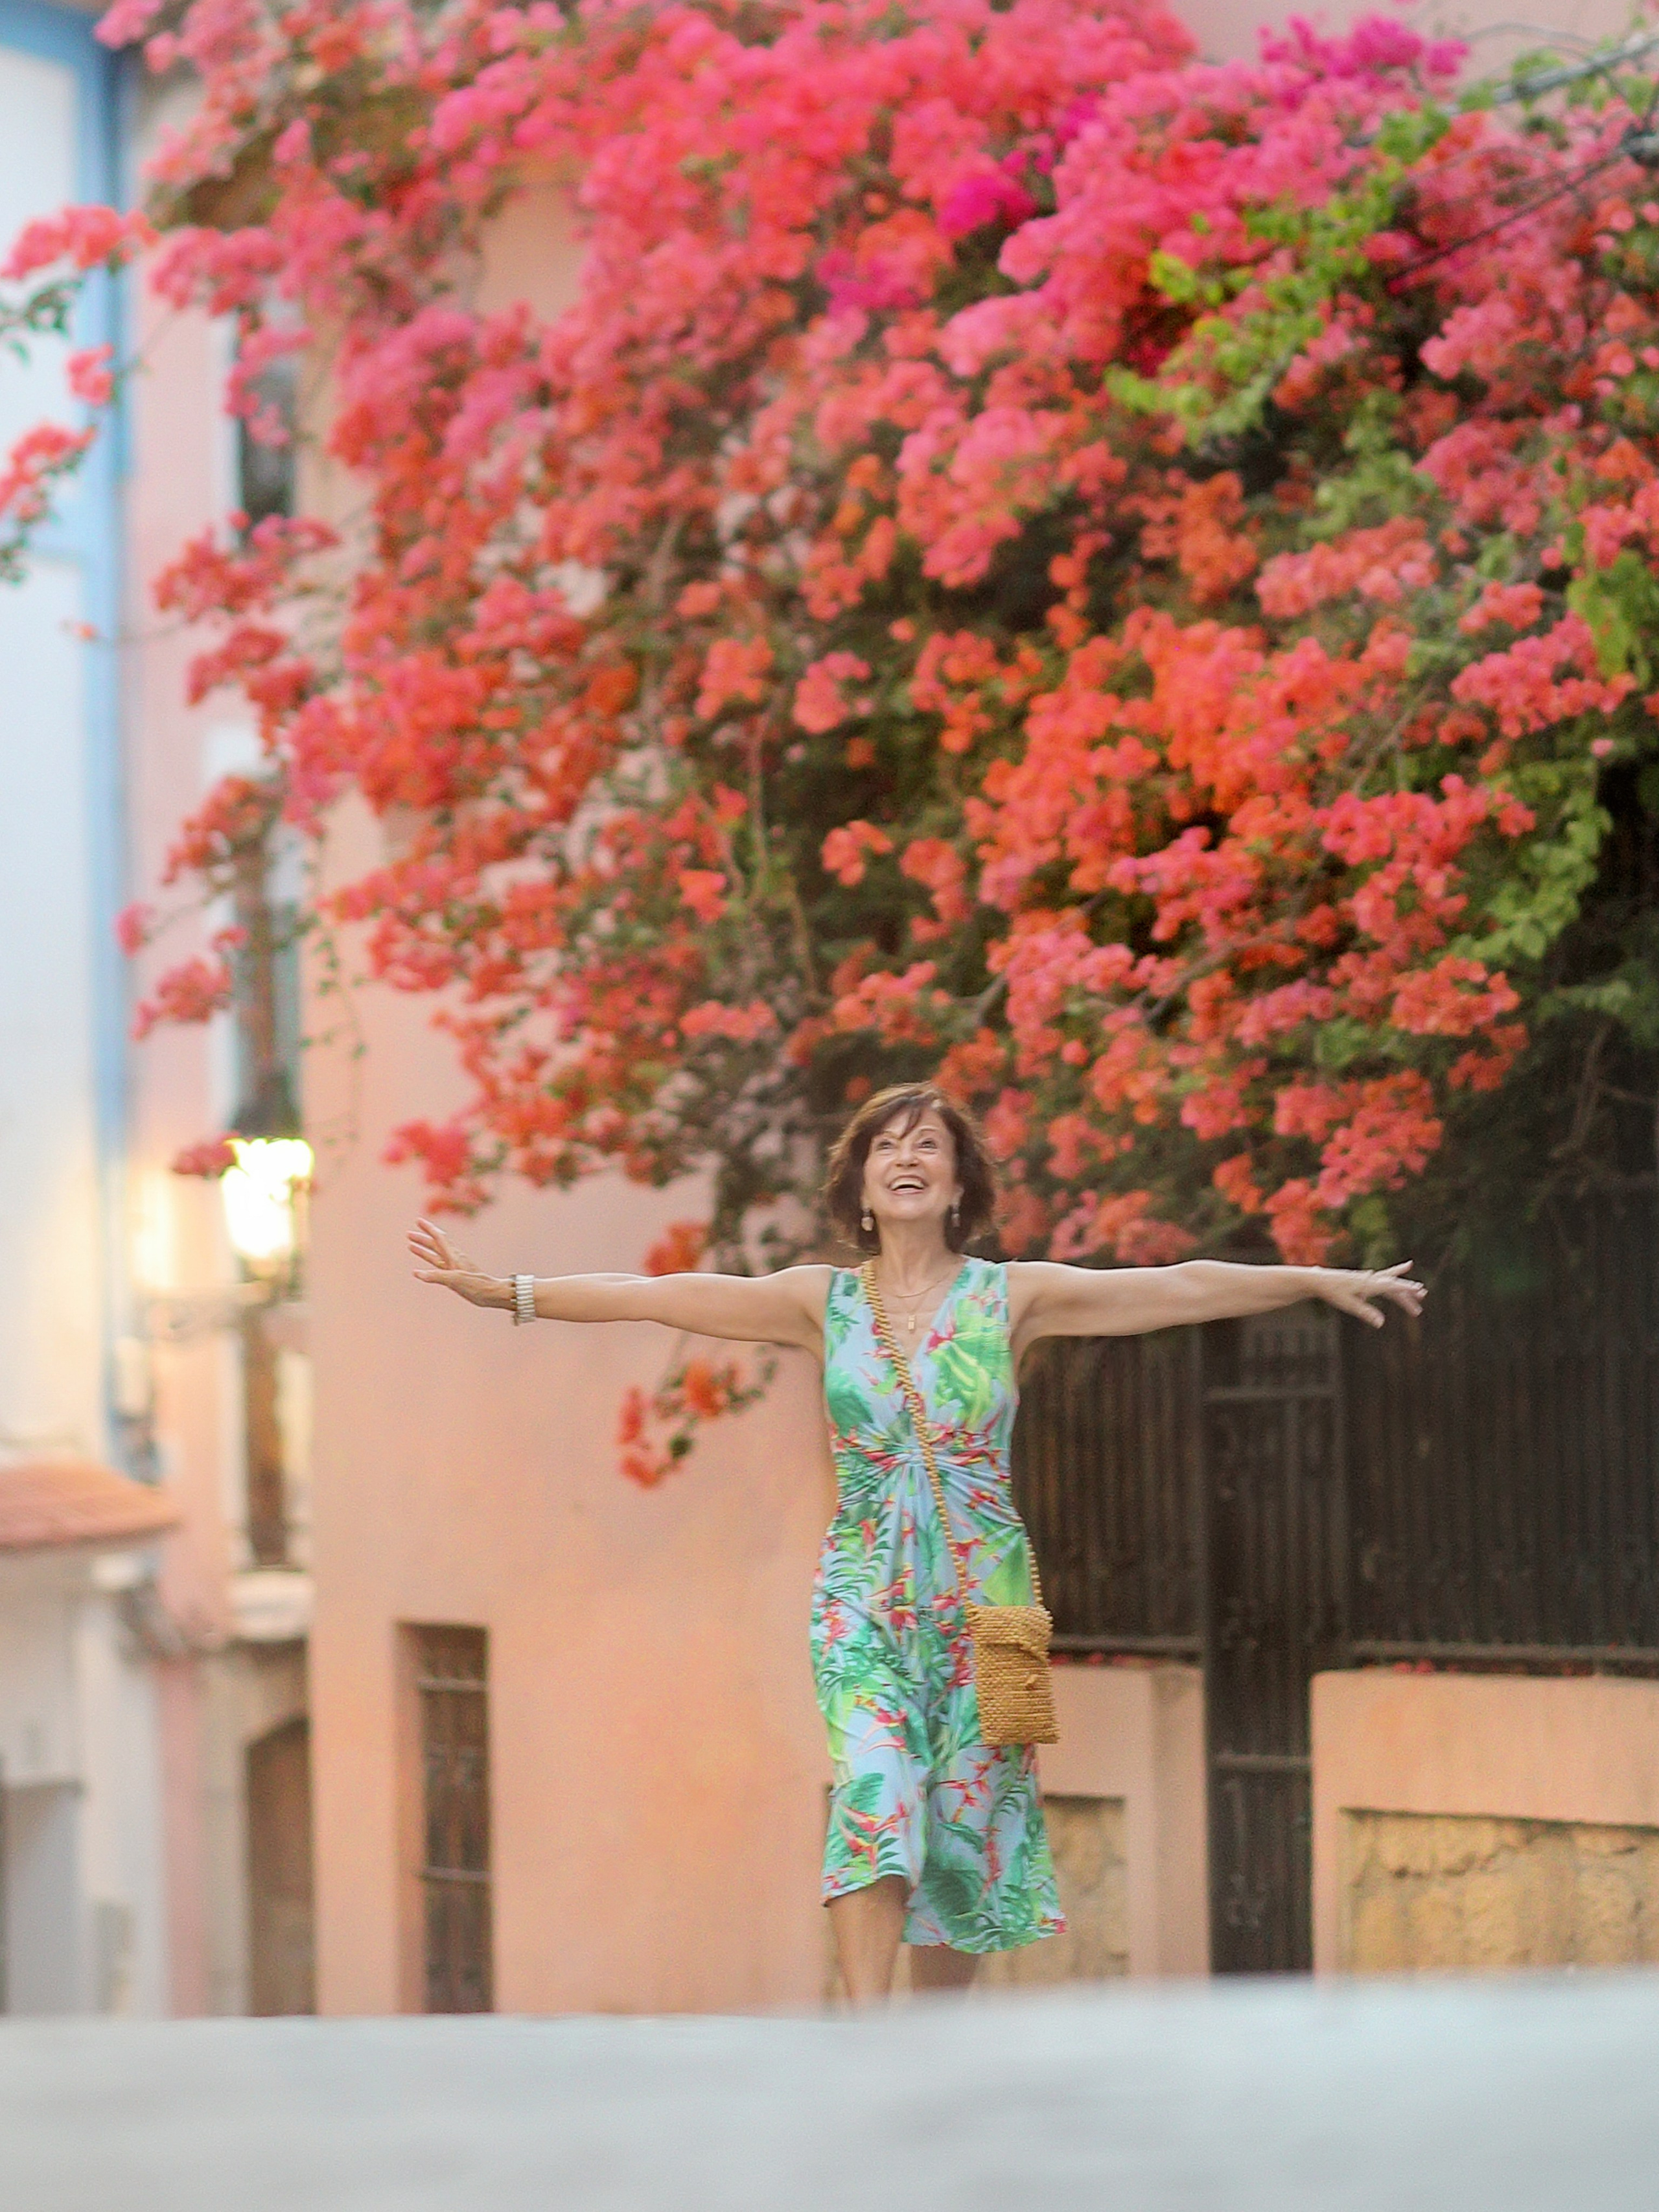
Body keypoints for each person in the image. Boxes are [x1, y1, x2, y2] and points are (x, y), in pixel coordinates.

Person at [408, 1081, 1423, 2003]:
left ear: (955, 1183)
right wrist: (509, 1291)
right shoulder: (820, 1301)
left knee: (968, 1831)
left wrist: (1313, 1277)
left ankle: (932, 2051)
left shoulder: (1012, 1296)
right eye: (887, 1143)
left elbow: (1174, 1286)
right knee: (877, 1784)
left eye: (928, 1145)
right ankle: (869, 2035)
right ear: (860, 1182)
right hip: (860, 1591)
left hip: (994, 1601)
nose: (906, 1156)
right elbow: (662, 1293)